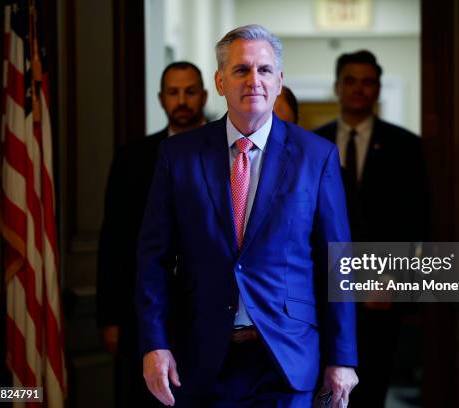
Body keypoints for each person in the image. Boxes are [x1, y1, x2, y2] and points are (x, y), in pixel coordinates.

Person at [136, 24, 358, 407]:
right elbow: (151, 258)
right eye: (241, 70)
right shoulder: (179, 156)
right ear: (221, 82)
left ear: (279, 81)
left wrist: (342, 358)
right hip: (202, 355)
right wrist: (154, 343)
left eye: (265, 70)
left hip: (286, 358)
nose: (254, 80)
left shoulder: (316, 156)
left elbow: (337, 261)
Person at [314, 50, 429, 407]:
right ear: (337, 86)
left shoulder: (406, 146)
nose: (358, 89)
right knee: (324, 386)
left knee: (373, 383)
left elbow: (416, 218)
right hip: (323, 286)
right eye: (350, 80)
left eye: (367, 82)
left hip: (382, 288)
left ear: (378, 89)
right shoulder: (313, 143)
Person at [96, 61, 208, 407]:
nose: (182, 101)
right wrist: (110, 317)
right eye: (174, 93)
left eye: (190, 92)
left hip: (207, 313)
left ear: (203, 95)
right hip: (144, 312)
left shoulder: (227, 151)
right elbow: (114, 240)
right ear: (161, 99)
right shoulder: (132, 158)